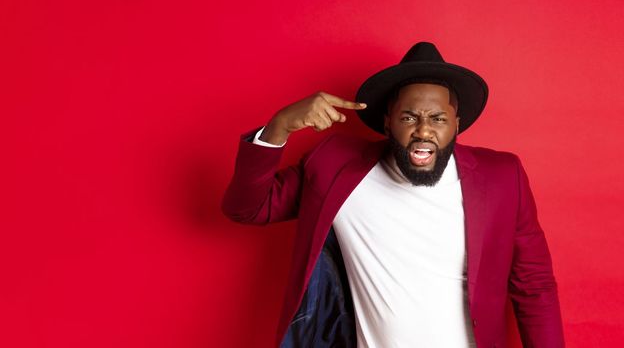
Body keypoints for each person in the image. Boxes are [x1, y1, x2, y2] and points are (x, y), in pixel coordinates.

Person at [221, 41, 564, 348]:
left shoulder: (502, 178)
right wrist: (279, 126)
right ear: (387, 123)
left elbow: (534, 286)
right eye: (409, 117)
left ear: (457, 124)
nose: (424, 129)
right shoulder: (334, 167)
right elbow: (247, 208)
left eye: (438, 118)